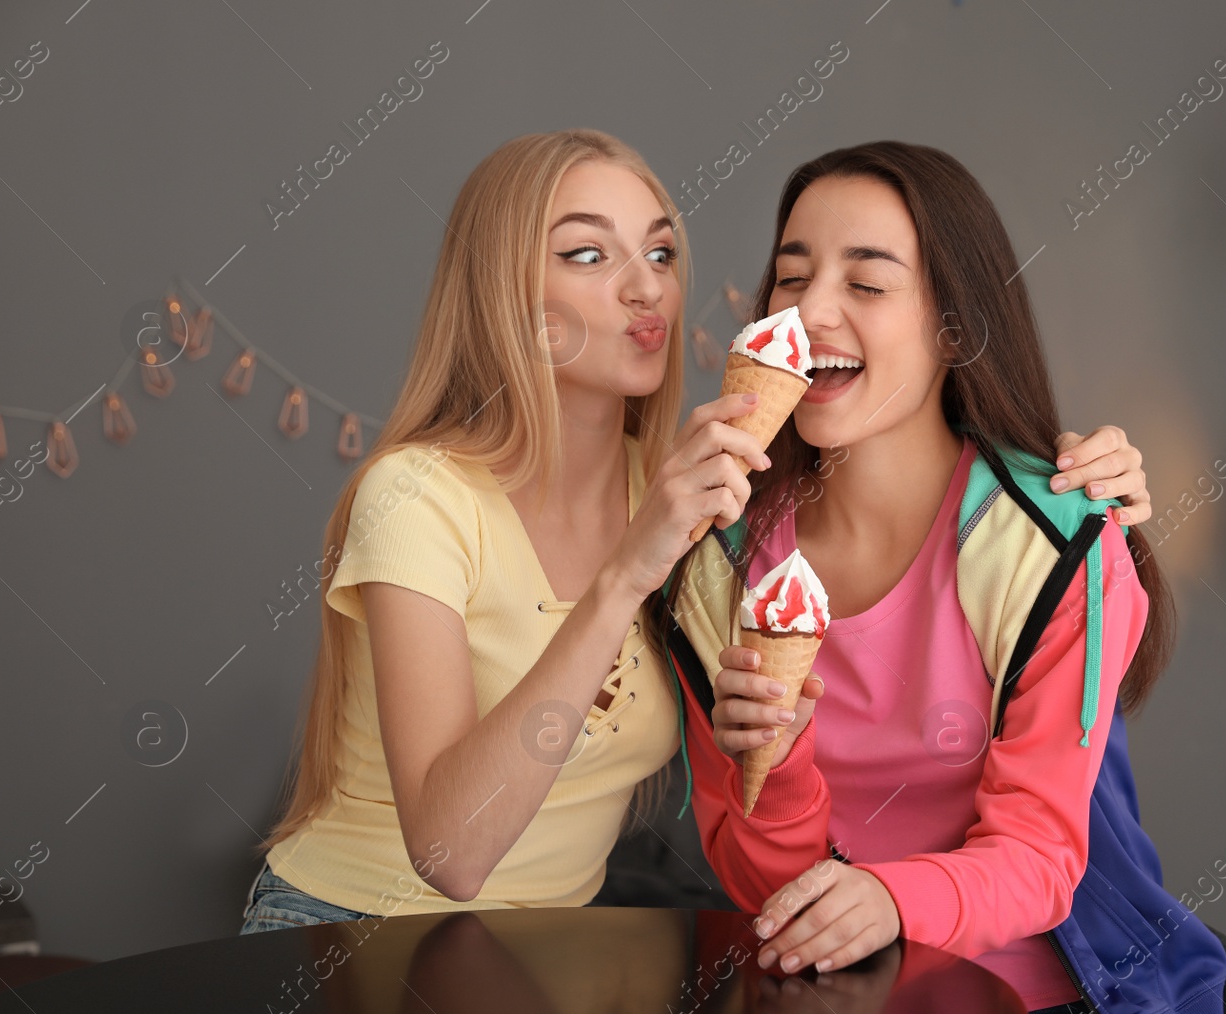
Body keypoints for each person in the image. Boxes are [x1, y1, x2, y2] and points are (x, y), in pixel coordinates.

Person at [239, 129, 1155, 937]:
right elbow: (452, 853)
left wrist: (1078, 489)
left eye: (663, 252)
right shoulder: (423, 498)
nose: (646, 287)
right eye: (588, 257)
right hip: (351, 937)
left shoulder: (706, 508)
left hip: (544, 953)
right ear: (505, 293)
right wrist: (624, 574)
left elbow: (1033, 835)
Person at [661, 142, 1226, 1014]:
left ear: (954, 329)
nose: (810, 312)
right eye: (791, 276)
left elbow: (1042, 856)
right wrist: (779, 758)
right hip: (826, 1008)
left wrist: (893, 898)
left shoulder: (1055, 542)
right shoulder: (718, 568)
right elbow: (757, 879)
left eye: (868, 282)